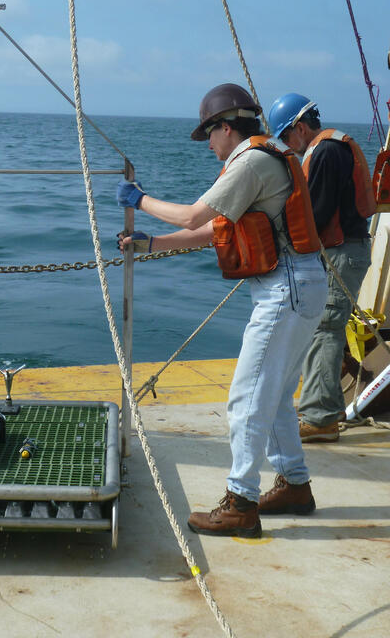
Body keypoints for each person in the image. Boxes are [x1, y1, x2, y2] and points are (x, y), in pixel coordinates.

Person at [116, 83, 328, 538]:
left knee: (247, 399)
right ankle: (294, 484)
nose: (208, 145)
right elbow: (216, 228)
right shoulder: (266, 156)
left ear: (226, 128)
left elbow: (194, 217)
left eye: (209, 135)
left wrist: (140, 199)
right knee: (274, 398)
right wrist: (152, 243)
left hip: (284, 290)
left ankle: (240, 502)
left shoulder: (250, 161)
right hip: (304, 284)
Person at [268, 94, 374, 443]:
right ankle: (321, 407)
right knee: (325, 328)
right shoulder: (331, 146)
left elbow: (317, 212)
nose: (288, 146)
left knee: (324, 329)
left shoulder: (325, 151)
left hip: (342, 254)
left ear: (300, 128)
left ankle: (320, 417)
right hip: (345, 251)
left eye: (285, 137)